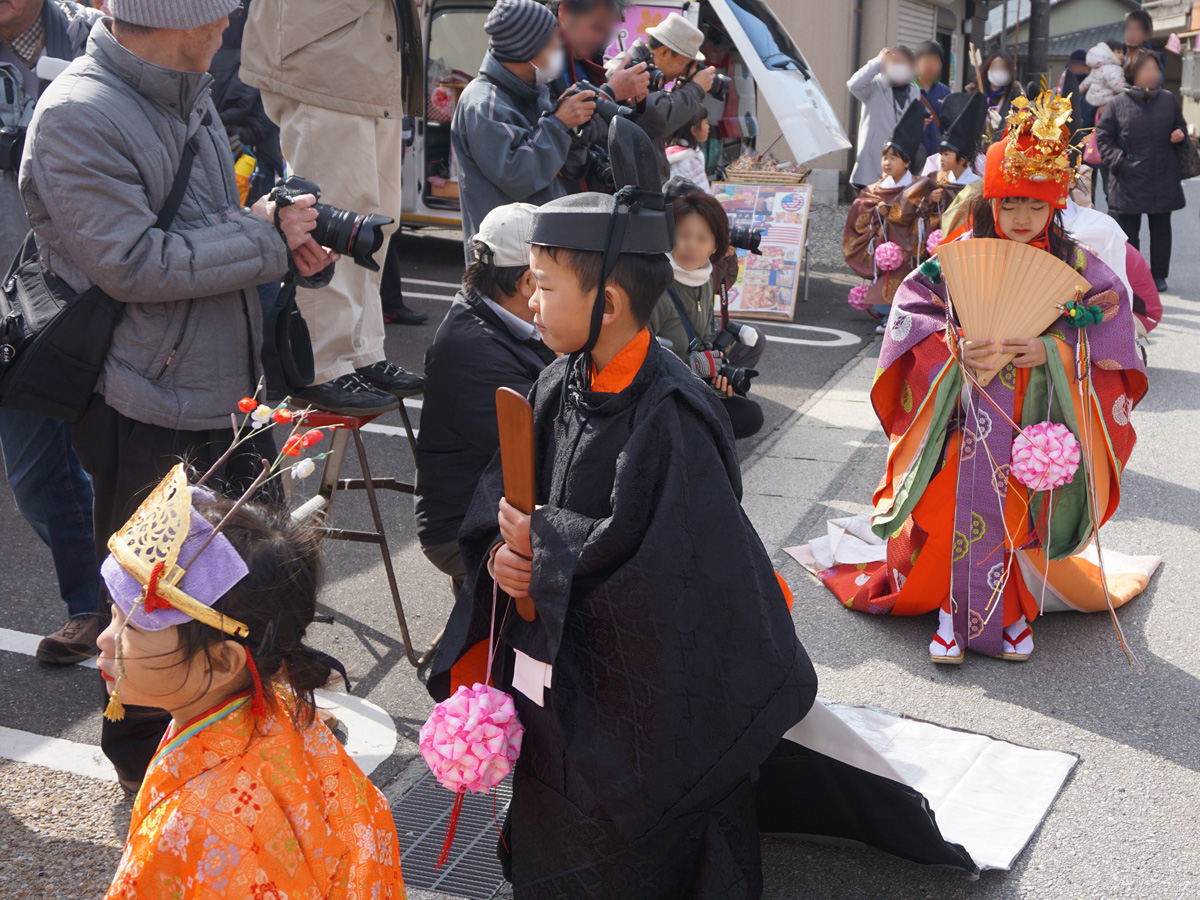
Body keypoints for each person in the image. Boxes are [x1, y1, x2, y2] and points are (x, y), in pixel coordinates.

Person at [427, 119, 815, 898]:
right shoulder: (556, 379)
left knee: (624, 852)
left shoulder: (672, 414)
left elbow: (676, 579)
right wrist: (507, 555)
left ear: (605, 303)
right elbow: (504, 507)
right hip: (559, 677)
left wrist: (545, 550)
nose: (529, 299)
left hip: (644, 713)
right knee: (551, 819)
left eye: (542, 283)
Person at [19, 0, 338, 789]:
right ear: (176, 16)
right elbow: (134, 263)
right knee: (151, 607)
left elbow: (203, 231)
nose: (229, 28)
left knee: (237, 584)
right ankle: (147, 771)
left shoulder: (184, 90)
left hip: (223, 389)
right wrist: (262, 237)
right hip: (145, 400)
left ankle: (234, 737)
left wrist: (272, 232)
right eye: (220, 14)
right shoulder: (79, 113)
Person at [819, 92, 1150, 664]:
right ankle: (954, 604)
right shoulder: (955, 257)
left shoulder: (1077, 268)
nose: (1022, 219)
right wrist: (954, 347)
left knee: (1023, 500)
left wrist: (1050, 348)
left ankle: (1011, 606)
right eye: (1010, 204)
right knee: (949, 497)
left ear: (1055, 209)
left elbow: (1115, 336)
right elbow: (910, 316)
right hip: (963, 408)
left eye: (1035, 207)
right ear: (990, 202)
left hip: (1037, 414)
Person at [97, 469, 405, 899]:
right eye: (113, 613)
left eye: (132, 626)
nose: (104, 639)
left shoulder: (203, 819)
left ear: (223, 661)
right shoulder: (284, 719)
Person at [242, 0, 424, 416]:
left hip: (367, 56)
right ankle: (322, 363)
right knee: (332, 222)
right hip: (324, 51)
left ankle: (359, 351)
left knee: (374, 221)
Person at [0, 0, 104, 663]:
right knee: (39, 479)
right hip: (10, 310)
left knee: (78, 475)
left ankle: (103, 607)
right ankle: (96, 602)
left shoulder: (92, 39)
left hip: (71, 301)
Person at [415, 203, 556, 597]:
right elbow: (540, 451)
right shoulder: (473, 350)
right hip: (463, 523)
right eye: (557, 278)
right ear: (529, 282)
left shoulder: (500, 319)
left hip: (495, 502)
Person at [451, 0, 594, 262]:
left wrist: (576, 129)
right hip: (505, 259)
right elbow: (519, 175)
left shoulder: (533, 91)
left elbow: (560, 166)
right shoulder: (484, 102)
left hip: (537, 246)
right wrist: (558, 124)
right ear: (527, 50)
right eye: (552, 42)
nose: (559, 50)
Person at [649, 189, 763, 439]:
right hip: (660, 392)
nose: (691, 245)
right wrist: (694, 373)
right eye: (683, 235)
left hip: (691, 381)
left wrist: (714, 374)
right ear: (668, 236)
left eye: (702, 238)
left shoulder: (704, 279)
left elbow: (704, 341)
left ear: (715, 246)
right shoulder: (657, 285)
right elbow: (639, 354)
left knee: (750, 414)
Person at [1096, 48, 1187, 291]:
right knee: (1128, 232)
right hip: (1128, 178)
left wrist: (1180, 134)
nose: (1152, 73)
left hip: (1162, 175)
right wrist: (1120, 161)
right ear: (1132, 72)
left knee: (1161, 231)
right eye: (1146, 68)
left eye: (1155, 68)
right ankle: (1134, 276)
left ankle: (1159, 276)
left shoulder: (1169, 99)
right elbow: (1103, 138)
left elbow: (1180, 126)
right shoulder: (1116, 104)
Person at [548, 0, 650, 193]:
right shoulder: (542, 60)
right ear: (565, 12)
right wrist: (610, 93)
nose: (601, 38)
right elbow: (555, 131)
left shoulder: (584, 59)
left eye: (607, 31)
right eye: (596, 27)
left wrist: (627, 100)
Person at [606, 12, 717, 181]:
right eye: (684, 64)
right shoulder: (627, 70)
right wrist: (695, 88)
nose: (682, 72)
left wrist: (681, 93)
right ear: (664, 52)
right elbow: (656, 120)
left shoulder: (648, 74)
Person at [843, 101, 929, 314]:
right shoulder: (873, 190)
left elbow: (927, 215)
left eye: (893, 158)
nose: (887, 163)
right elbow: (859, 212)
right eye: (884, 157)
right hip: (881, 250)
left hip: (909, 250)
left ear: (906, 162)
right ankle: (884, 313)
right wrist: (874, 212)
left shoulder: (918, 186)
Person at [848, 45, 920, 189]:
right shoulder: (874, 86)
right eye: (894, 62)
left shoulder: (914, 91)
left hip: (900, 166)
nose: (898, 66)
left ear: (911, 66)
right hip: (871, 164)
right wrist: (876, 62)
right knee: (869, 208)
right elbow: (853, 85)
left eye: (903, 62)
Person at [921, 92, 985, 241]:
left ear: (963, 160)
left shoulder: (980, 171)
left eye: (947, 154)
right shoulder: (935, 168)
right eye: (942, 153)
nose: (943, 158)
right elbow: (921, 194)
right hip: (937, 230)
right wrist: (930, 198)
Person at [973, 51, 1024, 136]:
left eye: (1003, 69)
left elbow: (1019, 127)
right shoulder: (975, 95)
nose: (999, 71)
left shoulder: (1016, 98)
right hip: (977, 146)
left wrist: (1001, 127)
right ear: (988, 70)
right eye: (995, 67)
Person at [915, 41, 949, 165]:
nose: (931, 66)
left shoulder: (944, 91)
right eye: (926, 61)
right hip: (912, 155)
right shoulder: (907, 89)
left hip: (936, 156)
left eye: (935, 61)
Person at [664, 105, 711, 192]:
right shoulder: (682, 160)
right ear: (694, 130)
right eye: (706, 123)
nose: (708, 127)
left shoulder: (692, 153)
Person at [1081, 41, 1126, 109]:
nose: (1122, 55)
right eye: (1118, 52)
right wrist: (1129, 90)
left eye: (1123, 53)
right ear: (1109, 53)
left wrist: (1077, 92)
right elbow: (1117, 86)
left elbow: (1086, 83)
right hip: (1107, 99)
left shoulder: (1096, 69)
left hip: (1092, 99)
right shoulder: (1114, 68)